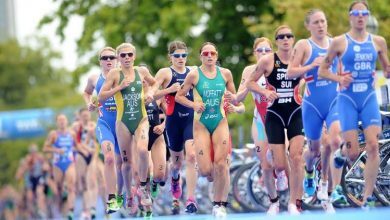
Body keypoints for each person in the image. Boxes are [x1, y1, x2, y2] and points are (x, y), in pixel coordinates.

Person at [318, 0, 390, 208]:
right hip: (347, 99)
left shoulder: (378, 41)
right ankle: (339, 158)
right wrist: (339, 78)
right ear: (351, 16)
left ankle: (367, 198)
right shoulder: (339, 42)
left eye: (364, 13)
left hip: (368, 98)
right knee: (353, 153)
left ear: (368, 16)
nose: (360, 16)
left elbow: (386, 68)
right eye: (356, 13)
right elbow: (323, 70)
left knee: (374, 146)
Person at [176, 42, 244, 217]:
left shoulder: (225, 74)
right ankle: (218, 188)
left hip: (220, 121)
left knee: (221, 164)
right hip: (201, 125)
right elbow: (179, 97)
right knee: (207, 171)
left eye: (212, 53)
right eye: (205, 53)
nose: (209, 56)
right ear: (200, 56)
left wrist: (234, 105)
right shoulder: (194, 75)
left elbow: (236, 100)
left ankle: (219, 204)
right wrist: (194, 104)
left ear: (216, 55)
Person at [286, 9, 345, 212]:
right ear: (308, 26)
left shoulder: (335, 44)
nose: (321, 25)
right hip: (312, 104)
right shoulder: (304, 45)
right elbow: (290, 72)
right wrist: (311, 65)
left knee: (334, 141)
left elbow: (341, 70)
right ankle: (310, 172)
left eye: (323, 21)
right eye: (316, 22)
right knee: (313, 150)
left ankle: (327, 186)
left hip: (333, 100)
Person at [247, 25, 305, 214]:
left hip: (295, 111)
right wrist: (265, 92)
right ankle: (275, 200)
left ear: (293, 39)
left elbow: (312, 77)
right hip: (274, 115)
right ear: (277, 41)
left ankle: (294, 202)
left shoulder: (301, 58)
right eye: (281, 37)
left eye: (289, 35)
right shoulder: (268, 61)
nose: (286, 39)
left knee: (296, 157)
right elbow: (250, 82)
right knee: (279, 164)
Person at [229, 37, 288, 215]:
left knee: (281, 160)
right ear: (255, 53)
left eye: (267, 50)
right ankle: (274, 202)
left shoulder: (278, 66)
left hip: (279, 117)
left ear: (272, 52)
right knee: (265, 165)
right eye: (260, 50)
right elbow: (239, 97)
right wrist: (236, 102)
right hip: (260, 120)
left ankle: (286, 180)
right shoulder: (249, 70)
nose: (263, 53)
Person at [98, 42, 157, 210]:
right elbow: (101, 96)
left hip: (141, 119)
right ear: (119, 58)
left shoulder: (141, 71)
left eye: (129, 55)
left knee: (143, 150)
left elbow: (154, 83)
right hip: (122, 122)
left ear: (134, 56)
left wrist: (150, 93)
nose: (126, 58)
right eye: (123, 55)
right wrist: (119, 87)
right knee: (127, 164)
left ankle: (144, 187)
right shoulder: (115, 74)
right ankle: (124, 193)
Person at [153, 41, 198, 214]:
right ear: (170, 57)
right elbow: (151, 94)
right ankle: (174, 178)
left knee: (192, 156)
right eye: (177, 55)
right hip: (173, 122)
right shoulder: (165, 72)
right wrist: (169, 89)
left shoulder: (193, 72)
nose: (181, 59)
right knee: (176, 163)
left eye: (184, 55)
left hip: (190, 120)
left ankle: (191, 200)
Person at [83, 46, 124, 214]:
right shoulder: (94, 78)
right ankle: (111, 198)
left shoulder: (124, 75)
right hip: (104, 124)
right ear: (100, 61)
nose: (108, 60)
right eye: (105, 58)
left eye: (111, 57)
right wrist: (89, 104)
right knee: (108, 159)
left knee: (123, 163)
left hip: (122, 124)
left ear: (117, 60)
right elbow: (86, 93)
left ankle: (123, 194)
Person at [43, 114, 82, 219]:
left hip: (69, 162)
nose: (62, 122)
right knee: (59, 188)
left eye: (63, 119)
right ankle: (61, 204)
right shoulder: (53, 134)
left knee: (71, 187)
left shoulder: (72, 133)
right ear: (57, 122)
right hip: (57, 164)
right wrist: (56, 150)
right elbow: (45, 148)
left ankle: (71, 211)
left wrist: (86, 150)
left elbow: (77, 146)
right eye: (59, 120)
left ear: (66, 121)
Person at [72, 108, 97, 218]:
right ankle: (85, 209)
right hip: (81, 155)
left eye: (87, 115)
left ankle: (93, 208)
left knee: (92, 180)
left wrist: (92, 150)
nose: (86, 117)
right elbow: (76, 143)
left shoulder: (94, 125)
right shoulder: (76, 127)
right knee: (82, 183)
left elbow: (97, 141)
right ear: (81, 116)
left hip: (93, 155)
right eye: (84, 115)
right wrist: (85, 149)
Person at [15, 144, 48, 218]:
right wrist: (26, 167)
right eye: (32, 152)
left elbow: (46, 167)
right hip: (31, 180)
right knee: (29, 197)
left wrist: (44, 168)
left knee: (40, 193)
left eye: (34, 152)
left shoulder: (40, 158)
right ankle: (32, 213)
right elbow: (19, 173)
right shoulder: (27, 159)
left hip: (39, 178)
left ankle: (42, 212)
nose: (33, 154)